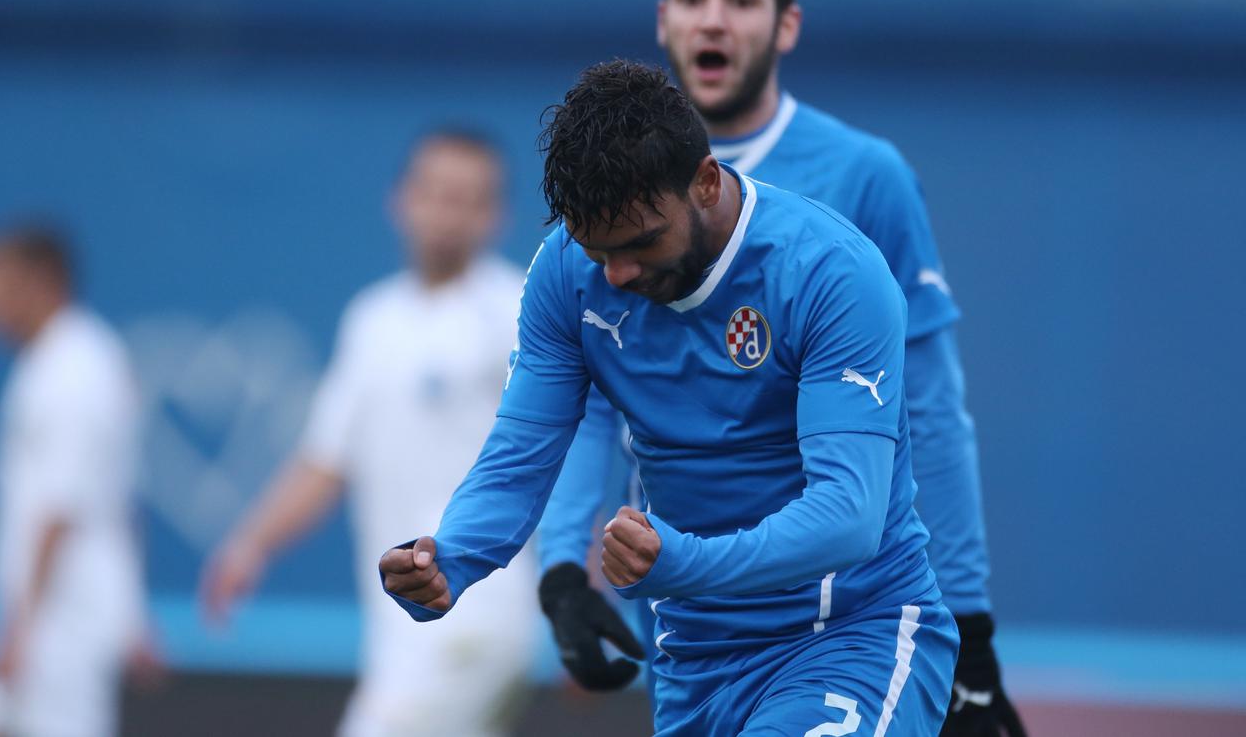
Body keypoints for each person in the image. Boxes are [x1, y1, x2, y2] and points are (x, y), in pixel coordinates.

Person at [535, 0, 1028, 734]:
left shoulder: (862, 178)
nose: (714, 20)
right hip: (696, 621)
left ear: (785, 26)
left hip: (841, 622)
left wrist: (973, 633)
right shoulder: (613, 190)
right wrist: (564, 570)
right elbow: (585, 397)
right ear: (663, 21)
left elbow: (930, 408)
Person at [380, 61, 960, 736]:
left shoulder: (833, 275)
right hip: (694, 657)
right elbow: (521, 453)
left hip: (844, 638)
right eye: (600, 252)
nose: (618, 275)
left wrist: (683, 561)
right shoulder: (565, 274)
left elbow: (849, 516)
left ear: (706, 183)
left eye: (640, 243)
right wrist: (449, 559)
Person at [201, 130, 538, 737]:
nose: (446, 212)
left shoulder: (518, 310)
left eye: (467, 198)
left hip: (479, 612)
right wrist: (249, 544)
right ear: (401, 199)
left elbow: (572, 452)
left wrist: (581, 586)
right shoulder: (372, 318)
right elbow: (326, 459)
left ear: (495, 215)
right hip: (402, 631)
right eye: (434, 192)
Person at [0, 225, 147, 737]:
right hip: (45, 615)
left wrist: (20, 629)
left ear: (41, 279)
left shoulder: (76, 368)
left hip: (63, 623)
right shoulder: (56, 361)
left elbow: (60, 509)